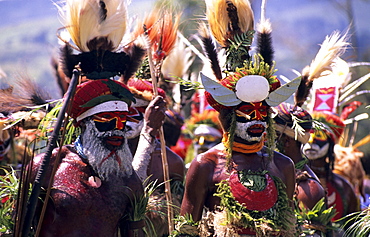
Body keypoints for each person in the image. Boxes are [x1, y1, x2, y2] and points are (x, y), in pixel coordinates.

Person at [178, 1, 300, 235]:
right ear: (226, 118)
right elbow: (186, 231)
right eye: (247, 113)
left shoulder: (283, 165)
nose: (257, 121)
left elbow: (289, 227)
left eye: (263, 113)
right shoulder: (205, 166)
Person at [29, 79, 167, 236]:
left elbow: (134, 234)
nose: (116, 128)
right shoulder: (49, 165)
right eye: (107, 118)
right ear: (83, 123)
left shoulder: (128, 180)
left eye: (122, 120)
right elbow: (19, 224)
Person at [127, 78, 185, 236]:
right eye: (125, 111)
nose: (127, 119)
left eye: (139, 112)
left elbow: (179, 219)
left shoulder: (171, 162)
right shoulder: (105, 154)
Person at [273, 102, 332, 235]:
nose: (265, 138)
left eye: (272, 133)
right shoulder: (273, 171)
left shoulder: (308, 189)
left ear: (286, 140)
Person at [301, 111, 360, 225]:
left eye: (319, 135)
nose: (312, 140)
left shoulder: (344, 187)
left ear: (330, 143)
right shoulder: (288, 179)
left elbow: (353, 228)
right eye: (308, 134)